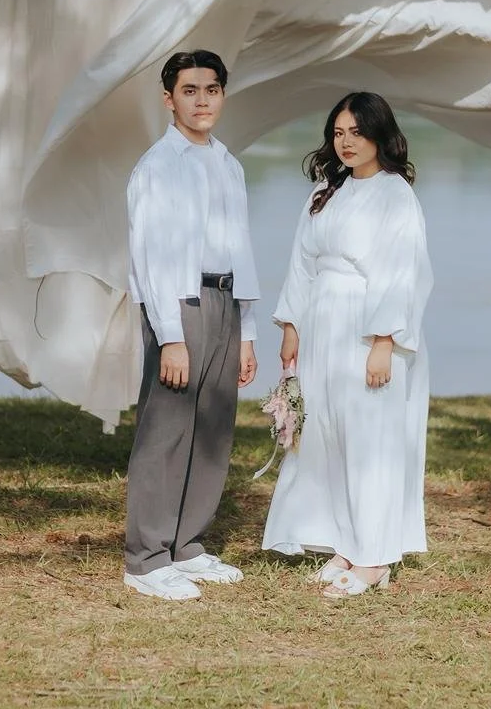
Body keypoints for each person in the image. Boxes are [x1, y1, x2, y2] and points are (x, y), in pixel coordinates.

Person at [262, 91, 433, 599]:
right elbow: (301, 260)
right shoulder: (325, 190)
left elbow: (403, 271)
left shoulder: (394, 193)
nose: (346, 142)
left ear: (379, 134)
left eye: (357, 132)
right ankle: (347, 542)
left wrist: (384, 341)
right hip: (321, 322)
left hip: (366, 325)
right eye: (338, 133)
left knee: (370, 437)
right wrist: (291, 324)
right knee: (329, 434)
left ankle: (375, 556)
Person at [122, 49, 260, 600]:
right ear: (169, 99)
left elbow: (242, 248)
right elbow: (151, 256)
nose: (201, 100)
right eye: (189, 91)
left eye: (211, 90)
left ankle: (187, 547)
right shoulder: (159, 166)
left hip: (226, 301)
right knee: (167, 427)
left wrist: (247, 333)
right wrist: (171, 336)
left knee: (213, 426)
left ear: (222, 95)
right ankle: (146, 558)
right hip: (180, 302)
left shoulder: (228, 162)